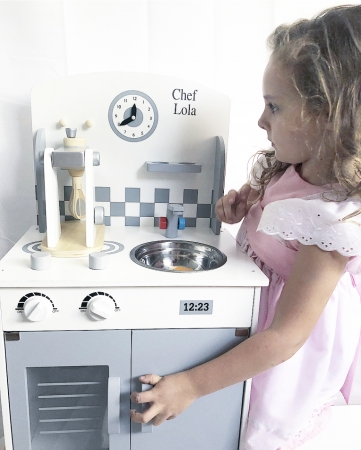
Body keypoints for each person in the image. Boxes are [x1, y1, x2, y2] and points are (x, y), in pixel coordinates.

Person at [130, 5, 361, 448]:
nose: (261, 120)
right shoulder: (293, 164)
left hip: (285, 349)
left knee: (259, 425)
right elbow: (273, 201)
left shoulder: (332, 221)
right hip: (253, 312)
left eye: (274, 106)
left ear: (327, 116)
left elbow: (284, 339)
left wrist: (192, 385)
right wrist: (242, 206)